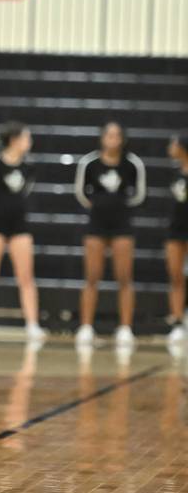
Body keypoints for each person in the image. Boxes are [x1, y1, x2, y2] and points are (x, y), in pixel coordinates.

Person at [74, 121, 146, 349]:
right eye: (109, 134)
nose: (113, 139)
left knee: (124, 277)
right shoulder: (90, 163)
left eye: (117, 135)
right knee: (92, 276)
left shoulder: (132, 164)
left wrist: (118, 207)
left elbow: (139, 195)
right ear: (102, 138)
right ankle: (86, 327)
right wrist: (100, 206)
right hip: (96, 225)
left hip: (122, 226)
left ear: (122, 138)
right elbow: (81, 194)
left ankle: (125, 328)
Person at [0, 122, 45, 343]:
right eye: (26, 138)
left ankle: (32, 325)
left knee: (26, 277)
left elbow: (25, 192)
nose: (29, 142)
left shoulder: (29, 166)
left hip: (20, 226)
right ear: (14, 140)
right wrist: (0, 210)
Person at [164, 132, 188, 349]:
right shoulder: (174, 173)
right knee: (176, 276)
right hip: (175, 230)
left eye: (174, 144)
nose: (170, 147)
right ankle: (177, 323)